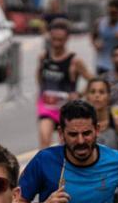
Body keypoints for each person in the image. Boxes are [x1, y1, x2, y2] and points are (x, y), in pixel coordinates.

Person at [36, 18, 93, 149]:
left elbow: (92, 80)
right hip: (47, 106)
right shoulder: (43, 57)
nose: (56, 43)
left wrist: (79, 94)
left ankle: (65, 168)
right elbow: (39, 77)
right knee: (44, 140)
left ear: (67, 39)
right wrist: (42, 91)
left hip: (66, 109)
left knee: (67, 146)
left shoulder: (74, 61)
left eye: (60, 40)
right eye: (54, 39)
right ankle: (46, 168)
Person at [86, 77, 118, 158]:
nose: (97, 95)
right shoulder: (80, 124)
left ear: (108, 96)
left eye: (101, 92)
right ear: (87, 96)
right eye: (92, 92)